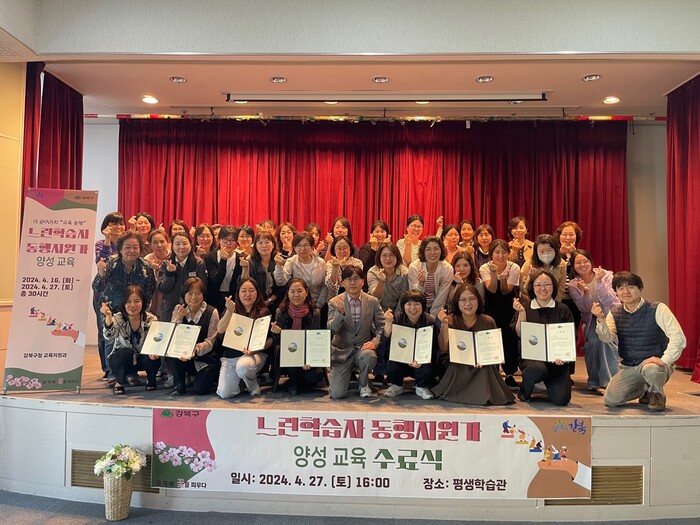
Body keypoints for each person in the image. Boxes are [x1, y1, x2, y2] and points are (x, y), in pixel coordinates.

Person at [595, 272, 686, 412]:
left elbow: (678, 337)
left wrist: (665, 360)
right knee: (611, 400)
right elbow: (607, 338)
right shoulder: (614, 313)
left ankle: (656, 394)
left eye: (630, 287)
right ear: (616, 292)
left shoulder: (657, 308)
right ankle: (645, 389)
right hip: (630, 367)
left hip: (654, 365)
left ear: (640, 289)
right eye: (620, 288)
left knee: (650, 369)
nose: (625, 292)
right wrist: (601, 320)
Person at [433, 283, 515, 405]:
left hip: (482, 362)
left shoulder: (488, 321)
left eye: (472, 299)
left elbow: (493, 351)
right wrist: (444, 325)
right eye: (463, 300)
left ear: (478, 300)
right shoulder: (450, 319)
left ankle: (482, 395)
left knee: (484, 368)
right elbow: (444, 348)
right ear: (457, 302)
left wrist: (484, 359)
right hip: (457, 360)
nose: (468, 303)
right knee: (457, 364)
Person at [513, 270, 574, 406]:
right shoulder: (525, 308)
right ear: (532, 287)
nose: (543, 288)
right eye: (538, 285)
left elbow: (570, 337)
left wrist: (563, 355)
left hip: (556, 361)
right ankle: (525, 390)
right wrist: (521, 313)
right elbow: (519, 333)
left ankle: (549, 383)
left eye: (547, 284)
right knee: (535, 370)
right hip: (532, 359)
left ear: (553, 287)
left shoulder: (563, 309)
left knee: (561, 399)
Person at [327, 267, 385, 399]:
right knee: (337, 394)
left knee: (369, 356)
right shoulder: (334, 302)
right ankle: (342, 376)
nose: (352, 282)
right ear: (342, 282)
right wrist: (339, 314)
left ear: (363, 281)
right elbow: (330, 329)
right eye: (348, 279)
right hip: (341, 352)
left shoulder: (372, 301)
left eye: (356, 279)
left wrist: (375, 341)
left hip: (362, 349)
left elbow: (381, 325)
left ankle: (364, 383)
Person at [568, 250, 620, 394]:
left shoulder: (606, 275)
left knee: (606, 341)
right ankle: (594, 381)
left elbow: (609, 300)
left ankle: (609, 382)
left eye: (585, 261)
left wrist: (599, 282)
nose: (582, 265)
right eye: (578, 262)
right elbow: (583, 308)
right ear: (573, 266)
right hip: (592, 319)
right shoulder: (573, 284)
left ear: (591, 262)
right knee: (593, 342)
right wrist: (585, 292)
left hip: (610, 315)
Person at [217, 278, 273, 398]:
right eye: (243, 291)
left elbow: (270, 339)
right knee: (225, 393)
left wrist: (255, 349)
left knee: (244, 366)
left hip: (254, 355)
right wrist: (229, 312)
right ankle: (242, 382)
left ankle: (252, 386)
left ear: (257, 292)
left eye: (251, 290)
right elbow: (220, 329)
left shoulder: (264, 312)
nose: (248, 294)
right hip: (232, 355)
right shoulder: (231, 309)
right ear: (238, 293)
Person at [101, 285, 160, 395]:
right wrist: (108, 316)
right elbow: (109, 336)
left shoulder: (151, 319)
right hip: (123, 359)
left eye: (137, 301)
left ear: (143, 302)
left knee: (151, 356)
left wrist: (154, 351)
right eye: (128, 301)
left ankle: (151, 380)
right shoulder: (117, 318)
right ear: (123, 303)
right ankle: (120, 382)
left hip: (142, 358)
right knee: (126, 352)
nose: (132, 305)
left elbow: (156, 340)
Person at [167, 277, 221, 396]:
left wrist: (194, 350)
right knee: (172, 354)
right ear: (184, 294)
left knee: (199, 390)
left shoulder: (212, 312)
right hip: (182, 356)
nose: (193, 297)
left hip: (205, 358)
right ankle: (179, 384)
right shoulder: (178, 309)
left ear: (203, 294)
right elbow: (171, 335)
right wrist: (179, 318)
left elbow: (210, 341)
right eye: (190, 293)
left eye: (198, 293)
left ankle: (201, 378)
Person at [270, 278, 324, 395]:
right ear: (288, 293)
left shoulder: (315, 313)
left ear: (306, 292)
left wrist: (308, 358)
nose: (296, 295)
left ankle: (298, 381)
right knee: (292, 366)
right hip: (289, 353)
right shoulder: (281, 312)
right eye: (292, 291)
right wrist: (276, 333)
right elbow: (277, 343)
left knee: (315, 376)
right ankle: (294, 382)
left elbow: (315, 340)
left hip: (307, 352)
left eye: (299, 291)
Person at [382, 290, 438, 400]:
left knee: (428, 365)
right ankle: (396, 385)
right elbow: (387, 338)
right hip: (401, 359)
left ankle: (421, 386)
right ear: (403, 306)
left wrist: (421, 358)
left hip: (420, 361)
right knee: (391, 361)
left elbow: (432, 346)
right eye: (409, 304)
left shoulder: (429, 321)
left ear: (423, 306)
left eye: (417, 304)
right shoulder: (397, 318)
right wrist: (388, 322)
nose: (413, 308)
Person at [480, 239, 520, 389]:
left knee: (509, 339)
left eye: (504, 252)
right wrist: (494, 273)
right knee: (492, 337)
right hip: (491, 307)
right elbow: (491, 289)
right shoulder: (485, 267)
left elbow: (506, 290)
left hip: (508, 306)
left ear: (509, 253)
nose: (501, 255)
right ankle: (493, 372)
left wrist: (503, 280)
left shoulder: (514, 267)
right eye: (497, 252)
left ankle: (509, 374)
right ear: (491, 254)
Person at [93, 211, 125, 380]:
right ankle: (107, 368)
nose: (118, 227)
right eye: (114, 223)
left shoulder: (125, 243)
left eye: (121, 223)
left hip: (122, 295)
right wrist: (107, 240)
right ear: (106, 226)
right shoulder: (101, 244)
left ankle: (121, 368)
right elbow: (103, 261)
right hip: (103, 295)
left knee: (122, 332)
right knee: (104, 331)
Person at [158, 232, 207, 324]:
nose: (181, 247)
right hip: (169, 308)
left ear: (190, 245)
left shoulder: (198, 263)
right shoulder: (166, 263)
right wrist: (169, 273)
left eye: (185, 243)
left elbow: (202, 289)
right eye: (177, 244)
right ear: (172, 246)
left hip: (192, 309)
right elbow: (163, 289)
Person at [274, 232, 328, 309]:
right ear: (294, 248)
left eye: (306, 245)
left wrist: (318, 305)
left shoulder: (320, 262)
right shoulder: (291, 262)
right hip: (296, 304)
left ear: (312, 246)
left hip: (316, 303)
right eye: (299, 246)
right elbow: (281, 282)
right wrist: (279, 266)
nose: (302, 249)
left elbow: (324, 285)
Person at [408, 236, 454, 316]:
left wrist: (432, 316)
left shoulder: (447, 269)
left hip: (439, 307)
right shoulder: (414, 267)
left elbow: (442, 296)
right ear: (423, 251)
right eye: (428, 249)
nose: (432, 253)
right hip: (417, 306)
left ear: (441, 250)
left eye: (436, 249)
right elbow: (414, 296)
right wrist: (421, 284)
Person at [242, 232, 286, 315]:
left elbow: (283, 286)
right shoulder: (251, 263)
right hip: (256, 303)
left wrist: (270, 300)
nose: (264, 245)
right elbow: (247, 284)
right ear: (255, 246)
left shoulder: (279, 261)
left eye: (267, 242)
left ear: (273, 245)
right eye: (260, 243)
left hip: (277, 302)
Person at [203, 225, 243, 314]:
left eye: (232, 240)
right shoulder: (210, 257)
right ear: (219, 239)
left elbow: (240, 282)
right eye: (225, 239)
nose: (228, 243)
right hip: (213, 298)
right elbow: (216, 280)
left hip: (233, 298)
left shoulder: (239, 258)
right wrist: (223, 260)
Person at [519, 234, 567, 303]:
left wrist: (552, 304)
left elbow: (561, 289)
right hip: (533, 303)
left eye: (549, 250)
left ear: (555, 250)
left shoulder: (562, 264)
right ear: (536, 252)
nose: (546, 254)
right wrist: (530, 277)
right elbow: (524, 291)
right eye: (542, 251)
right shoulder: (529, 264)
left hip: (554, 303)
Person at [325, 234, 364, 299]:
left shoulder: (357, 262)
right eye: (339, 248)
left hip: (354, 297)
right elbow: (330, 286)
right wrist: (335, 267)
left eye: (345, 248)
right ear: (334, 250)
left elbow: (356, 282)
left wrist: (345, 268)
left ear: (350, 249)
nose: (342, 251)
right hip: (334, 299)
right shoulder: (329, 263)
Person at [143, 229, 171, 318]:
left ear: (167, 242)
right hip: (154, 299)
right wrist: (151, 270)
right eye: (155, 242)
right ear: (150, 244)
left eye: (162, 241)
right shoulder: (147, 259)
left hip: (170, 298)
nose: (159, 245)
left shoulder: (173, 256)